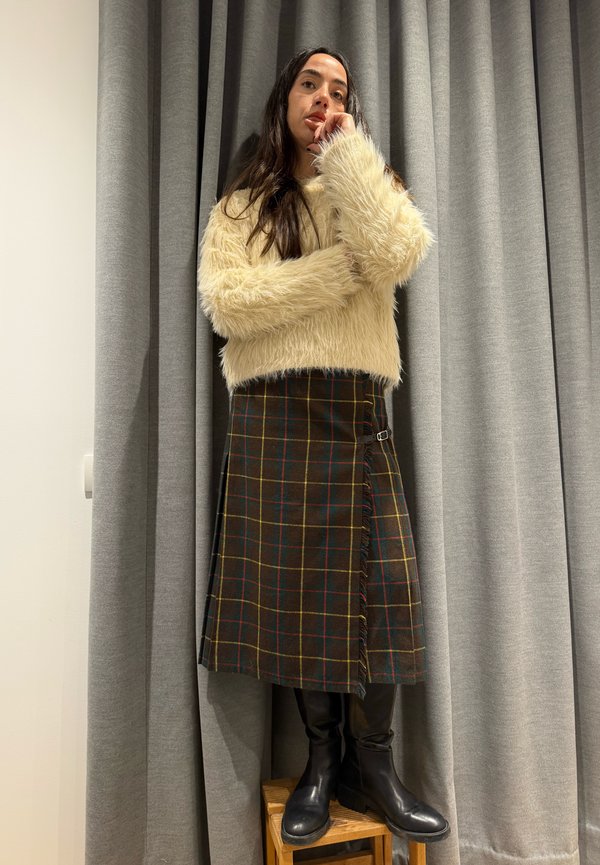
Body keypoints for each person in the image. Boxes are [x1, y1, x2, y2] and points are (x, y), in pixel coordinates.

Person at [197, 47, 450, 847]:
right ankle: (321, 762)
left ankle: (374, 766)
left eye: (340, 90)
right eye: (312, 83)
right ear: (284, 98)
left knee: (383, 597)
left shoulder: (366, 189)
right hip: (276, 413)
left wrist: (350, 157)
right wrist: (337, 275)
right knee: (301, 601)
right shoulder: (241, 206)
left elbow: (401, 253)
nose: (324, 98)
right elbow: (230, 303)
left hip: (355, 408)